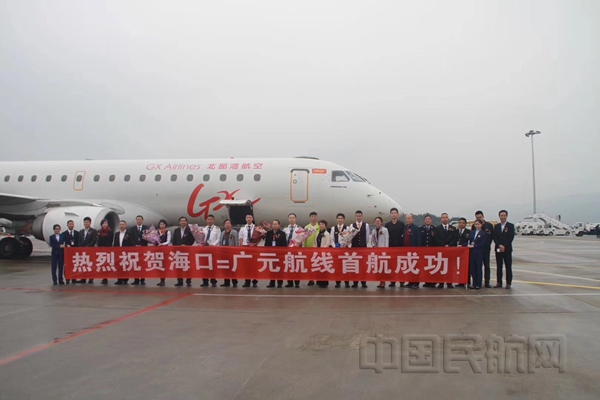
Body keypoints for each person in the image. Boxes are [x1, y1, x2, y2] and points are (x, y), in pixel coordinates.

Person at [494, 210, 515, 289]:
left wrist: (504, 246)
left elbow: (511, 237)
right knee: (499, 266)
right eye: (501, 216)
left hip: (507, 249)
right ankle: (499, 282)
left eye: (504, 215)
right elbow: (495, 237)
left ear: (506, 216)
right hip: (498, 248)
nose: (502, 217)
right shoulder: (496, 226)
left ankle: (508, 282)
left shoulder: (511, 226)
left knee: (508, 266)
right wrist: (499, 245)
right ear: (499, 216)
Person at [472, 211, 494, 288]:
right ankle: (477, 282)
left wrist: (487, 245)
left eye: (480, 217)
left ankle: (487, 282)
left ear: (483, 217)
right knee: (477, 266)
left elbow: (491, 237)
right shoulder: (474, 226)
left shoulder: (489, 225)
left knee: (486, 265)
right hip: (477, 250)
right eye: (477, 217)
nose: (479, 219)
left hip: (486, 249)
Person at [435, 213, 457, 288]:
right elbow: (436, 239)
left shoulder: (453, 228)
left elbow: (455, 239)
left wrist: (449, 245)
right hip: (441, 250)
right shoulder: (437, 228)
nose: (445, 219)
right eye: (443, 217)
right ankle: (441, 282)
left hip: (450, 250)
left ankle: (449, 282)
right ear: (441, 219)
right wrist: (444, 245)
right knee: (440, 267)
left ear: (448, 218)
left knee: (450, 267)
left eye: (446, 217)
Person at [172, 216, 194, 287]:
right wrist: (175, 248)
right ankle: (179, 281)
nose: (183, 222)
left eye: (184, 221)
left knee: (187, 267)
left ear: (186, 222)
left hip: (187, 251)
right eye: (181, 221)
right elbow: (174, 240)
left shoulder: (189, 230)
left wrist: (186, 245)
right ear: (179, 222)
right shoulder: (176, 230)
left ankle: (188, 281)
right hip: (178, 252)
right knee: (179, 267)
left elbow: (192, 240)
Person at [385, 208, 405, 288]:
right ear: (390, 215)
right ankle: (392, 281)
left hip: (399, 247)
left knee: (400, 264)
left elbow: (404, 236)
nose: (393, 214)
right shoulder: (387, 225)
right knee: (392, 265)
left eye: (395, 213)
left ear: (397, 214)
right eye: (392, 213)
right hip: (391, 247)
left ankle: (401, 281)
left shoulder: (401, 224)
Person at [351, 210, 370, 288]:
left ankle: (363, 282)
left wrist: (363, 244)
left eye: (360, 216)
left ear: (362, 216)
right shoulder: (352, 225)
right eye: (357, 216)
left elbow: (367, 237)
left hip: (363, 248)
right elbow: (350, 236)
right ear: (355, 217)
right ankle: (355, 282)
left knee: (363, 266)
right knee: (355, 265)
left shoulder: (366, 225)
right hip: (354, 248)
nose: (358, 217)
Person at [265, 219, 287, 288]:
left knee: (279, 268)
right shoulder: (269, 233)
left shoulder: (282, 233)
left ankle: (280, 282)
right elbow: (266, 243)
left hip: (279, 254)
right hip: (271, 253)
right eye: (273, 224)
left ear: (279, 225)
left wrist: (282, 253)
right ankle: (272, 282)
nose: (274, 225)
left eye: (276, 224)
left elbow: (284, 244)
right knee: (271, 268)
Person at [201, 215, 221, 287]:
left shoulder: (217, 229)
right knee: (204, 265)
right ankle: (205, 281)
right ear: (206, 220)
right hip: (205, 249)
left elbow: (218, 239)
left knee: (212, 266)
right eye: (208, 219)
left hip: (213, 249)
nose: (210, 221)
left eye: (211, 219)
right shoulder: (204, 229)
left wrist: (213, 245)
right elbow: (201, 238)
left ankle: (213, 281)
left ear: (214, 220)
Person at [239, 214, 259, 287]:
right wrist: (242, 247)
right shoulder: (242, 228)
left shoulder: (256, 228)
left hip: (253, 248)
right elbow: (240, 238)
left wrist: (255, 243)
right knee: (246, 266)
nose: (249, 219)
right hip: (245, 247)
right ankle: (247, 281)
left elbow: (258, 237)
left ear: (252, 219)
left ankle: (254, 281)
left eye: (250, 217)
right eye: (247, 217)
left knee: (254, 265)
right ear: (245, 219)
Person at [129, 215, 148, 285]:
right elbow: (131, 238)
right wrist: (135, 245)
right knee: (135, 264)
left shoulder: (146, 228)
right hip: (135, 249)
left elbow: (148, 238)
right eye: (137, 219)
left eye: (140, 219)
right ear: (136, 220)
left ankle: (142, 279)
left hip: (143, 248)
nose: (139, 220)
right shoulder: (132, 229)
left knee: (142, 264)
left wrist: (142, 245)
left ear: (142, 220)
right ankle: (136, 279)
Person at [331, 213, 349, 288]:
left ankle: (347, 282)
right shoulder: (333, 228)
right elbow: (332, 239)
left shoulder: (347, 228)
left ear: (344, 219)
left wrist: (346, 245)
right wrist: (335, 247)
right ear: (337, 219)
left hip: (345, 250)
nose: (340, 220)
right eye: (339, 218)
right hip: (337, 250)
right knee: (337, 267)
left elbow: (349, 239)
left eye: (341, 218)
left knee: (346, 266)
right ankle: (337, 282)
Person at [404, 214, 422, 288]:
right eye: (406, 218)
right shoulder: (405, 227)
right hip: (406, 250)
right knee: (409, 267)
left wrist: (418, 250)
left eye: (409, 218)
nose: (407, 220)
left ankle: (416, 283)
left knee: (415, 267)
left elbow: (419, 239)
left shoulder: (416, 228)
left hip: (414, 251)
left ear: (412, 219)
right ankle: (410, 282)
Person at [371, 217, 389, 289]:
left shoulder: (385, 230)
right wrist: (373, 246)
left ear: (381, 222)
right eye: (376, 221)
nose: (377, 222)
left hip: (383, 251)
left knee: (383, 267)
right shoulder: (373, 231)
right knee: (378, 267)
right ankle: (380, 281)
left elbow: (386, 240)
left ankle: (383, 281)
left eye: (379, 221)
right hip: (377, 251)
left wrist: (386, 250)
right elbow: (372, 240)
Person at [283, 213, 301, 288]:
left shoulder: (299, 229)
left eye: (293, 218)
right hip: (288, 250)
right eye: (290, 218)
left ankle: (297, 282)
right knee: (289, 266)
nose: (291, 219)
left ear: (295, 219)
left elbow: (301, 239)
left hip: (296, 250)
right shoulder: (285, 229)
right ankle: (290, 282)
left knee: (296, 266)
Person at [219, 219, 239, 287]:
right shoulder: (222, 233)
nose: (227, 225)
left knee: (233, 267)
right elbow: (220, 242)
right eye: (226, 223)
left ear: (231, 225)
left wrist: (236, 251)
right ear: (224, 225)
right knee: (225, 268)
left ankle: (234, 282)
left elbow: (236, 242)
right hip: (224, 253)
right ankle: (226, 282)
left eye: (228, 223)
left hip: (231, 252)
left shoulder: (234, 232)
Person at [468, 220, 487, 289]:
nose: (477, 226)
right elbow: (469, 241)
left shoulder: (483, 234)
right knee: (472, 268)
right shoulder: (472, 232)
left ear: (481, 225)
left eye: (478, 224)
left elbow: (482, 244)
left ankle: (478, 284)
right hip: (472, 253)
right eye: (476, 224)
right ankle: (474, 283)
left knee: (478, 268)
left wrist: (474, 246)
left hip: (479, 253)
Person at [78, 217, 98, 283]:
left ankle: (91, 278)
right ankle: (83, 278)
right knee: (83, 264)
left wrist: (88, 246)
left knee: (90, 264)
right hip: (82, 251)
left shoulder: (93, 231)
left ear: (90, 223)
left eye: (87, 222)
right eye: (85, 222)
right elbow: (79, 240)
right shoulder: (81, 231)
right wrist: (81, 247)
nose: (86, 223)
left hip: (90, 250)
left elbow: (94, 240)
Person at [113, 220, 132, 285]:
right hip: (118, 253)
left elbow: (131, 243)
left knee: (126, 266)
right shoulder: (116, 234)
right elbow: (115, 243)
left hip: (126, 253)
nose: (121, 226)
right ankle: (119, 279)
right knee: (119, 266)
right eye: (120, 224)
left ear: (125, 225)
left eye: (123, 224)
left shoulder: (129, 234)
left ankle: (125, 279)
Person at [420, 215, 437, 288]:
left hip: (432, 251)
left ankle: (433, 282)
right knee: (426, 267)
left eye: (429, 219)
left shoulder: (435, 229)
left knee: (433, 267)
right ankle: (426, 281)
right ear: (424, 221)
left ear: (431, 220)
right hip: (424, 251)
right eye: (426, 219)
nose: (427, 220)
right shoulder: (420, 229)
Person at [313, 220, 331, 288]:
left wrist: (322, 249)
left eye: (323, 224)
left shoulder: (327, 234)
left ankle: (324, 282)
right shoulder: (317, 233)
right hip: (317, 253)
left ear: (325, 226)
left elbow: (327, 243)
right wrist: (315, 249)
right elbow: (315, 242)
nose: (321, 226)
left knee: (324, 267)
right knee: (318, 267)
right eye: (320, 224)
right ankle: (319, 280)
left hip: (324, 253)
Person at [304, 212, 320, 286]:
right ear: (310, 218)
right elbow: (304, 239)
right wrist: (304, 248)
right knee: (310, 265)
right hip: (309, 249)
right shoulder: (307, 227)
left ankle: (318, 279)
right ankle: (311, 279)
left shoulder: (319, 226)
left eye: (315, 216)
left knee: (318, 264)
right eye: (312, 216)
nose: (314, 218)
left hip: (318, 249)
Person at [61, 220, 79, 284]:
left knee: (74, 265)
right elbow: (62, 242)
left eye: (72, 224)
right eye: (70, 224)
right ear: (67, 225)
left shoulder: (77, 233)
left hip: (74, 252)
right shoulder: (64, 234)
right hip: (67, 252)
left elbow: (78, 242)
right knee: (67, 265)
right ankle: (67, 278)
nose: (71, 225)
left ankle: (74, 278)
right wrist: (66, 245)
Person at [455, 218, 471, 288]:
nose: (461, 224)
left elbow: (469, 242)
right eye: (460, 223)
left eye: (463, 223)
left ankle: (467, 281)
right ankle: (460, 282)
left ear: (465, 224)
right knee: (459, 267)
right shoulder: (455, 231)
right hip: (456, 251)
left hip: (465, 251)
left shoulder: (469, 232)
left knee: (466, 267)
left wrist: (462, 246)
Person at [97, 219, 113, 285]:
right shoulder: (99, 232)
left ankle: (105, 277)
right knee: (102, 264)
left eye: (106, 223)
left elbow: (111, 240)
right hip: (100, 250)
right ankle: (103, 277)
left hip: (107, 250)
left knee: (106, 264)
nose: (105, 224)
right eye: (103, 223)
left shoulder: (110, 231)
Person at [156, 219, 171, 287]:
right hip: (158, 250)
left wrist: (162, 244)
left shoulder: (168, 232)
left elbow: (168, 241)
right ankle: (161, 280)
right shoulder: (157, 232)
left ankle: (163, 280)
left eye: (163, 224)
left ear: (165, 225)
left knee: (164, 265)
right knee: (159, 265)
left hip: (164, 250)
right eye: (161, 224)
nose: (162, 225)